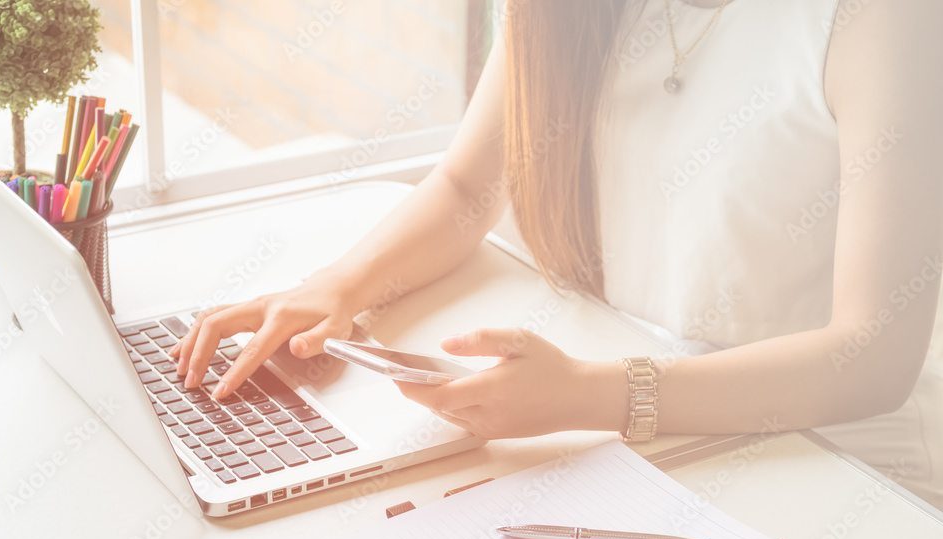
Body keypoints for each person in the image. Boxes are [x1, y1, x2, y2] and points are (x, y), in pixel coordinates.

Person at [171, 0, 943, 506]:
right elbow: (470, 184)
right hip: (645, 446)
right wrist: (338, 286)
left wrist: (588, 395)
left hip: (822, 465)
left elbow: (872, 359)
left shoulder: (881, 20)